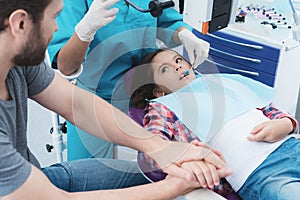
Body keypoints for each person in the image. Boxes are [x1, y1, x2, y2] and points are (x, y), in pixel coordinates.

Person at [0, 1, 235, 199]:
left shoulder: (19, 65)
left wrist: (160, 146)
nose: (57, 27)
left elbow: (77, 104)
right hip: (32, 192)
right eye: (55, 17)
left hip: (34, 176)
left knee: (144, 176)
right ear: (19, 23)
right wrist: (171, 187)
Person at [47, 0, 210, 160]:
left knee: (175, 156)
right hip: (96, 97)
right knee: (85, 174)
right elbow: (66, 66)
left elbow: (165, 21)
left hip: (147, 92)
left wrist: (183, 34)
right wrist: (85, 31)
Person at [128, 48, 300, 200]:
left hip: (292, 146)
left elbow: (269, 108)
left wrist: (285, 123)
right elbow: (153, 148)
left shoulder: (223, 83)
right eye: (165, 69)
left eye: (178, 60)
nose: (177, 66)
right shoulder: (163, 107)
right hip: (261, 173)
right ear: (159, 91)